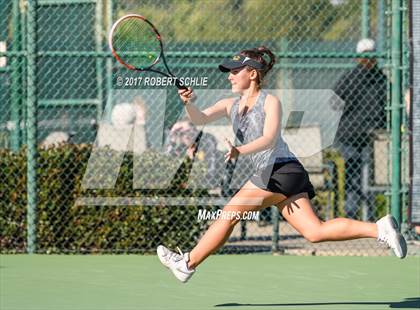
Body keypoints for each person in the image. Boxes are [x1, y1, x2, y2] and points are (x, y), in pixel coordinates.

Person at [157, 46, 407, 283]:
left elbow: (269, 138)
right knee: (315, 232)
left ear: (252, 74)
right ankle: (379, 229)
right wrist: (188, 103)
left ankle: (186, 264)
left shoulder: (269, 102)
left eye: (235, 71)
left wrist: (238, 150)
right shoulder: (229, 105)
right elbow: (200, 118)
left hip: (278, 170)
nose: (230, 77)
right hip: (282, 174)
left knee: (228, 214)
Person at [332, 38, 388, 220]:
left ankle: (368, 215)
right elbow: (334, 101)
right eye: (365, 56)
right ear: (358, 57)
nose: (369, 60)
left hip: (370, 136)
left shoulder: (379, 78)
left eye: (371, 56)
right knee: (355, 173)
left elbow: (334, 101)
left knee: (368, 175)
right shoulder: (356, 77)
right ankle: (352, 213)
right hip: (350, 135)